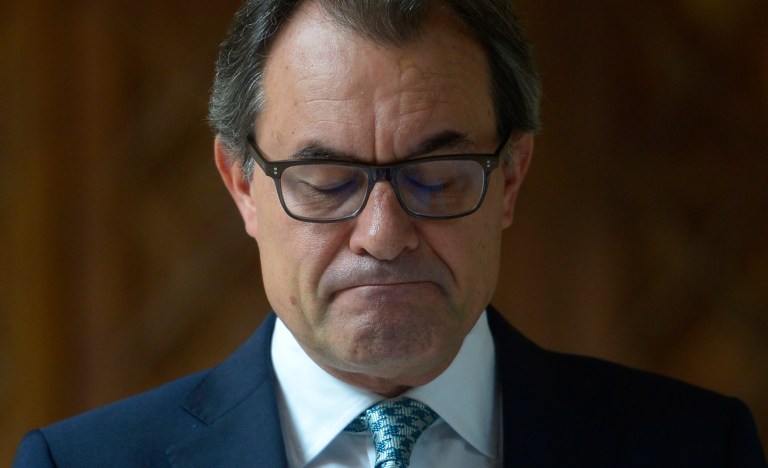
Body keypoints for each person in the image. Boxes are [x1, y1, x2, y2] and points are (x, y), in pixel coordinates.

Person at [13, 0, 766, 466]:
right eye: (327, 181)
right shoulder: (78, 464)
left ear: (509, 179)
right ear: (243, 185)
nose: (383, 233)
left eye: (437, 178)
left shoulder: (697, 448)